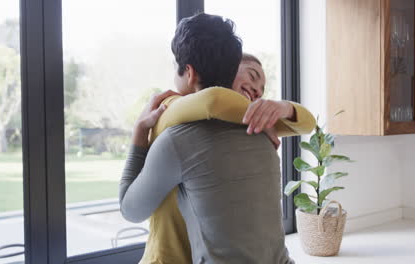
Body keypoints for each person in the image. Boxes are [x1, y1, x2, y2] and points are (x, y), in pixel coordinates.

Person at [120, 13, 296, 263]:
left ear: (189, 72)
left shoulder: (176, 138)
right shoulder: (263, 133)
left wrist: (139, 132)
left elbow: (131, 210)